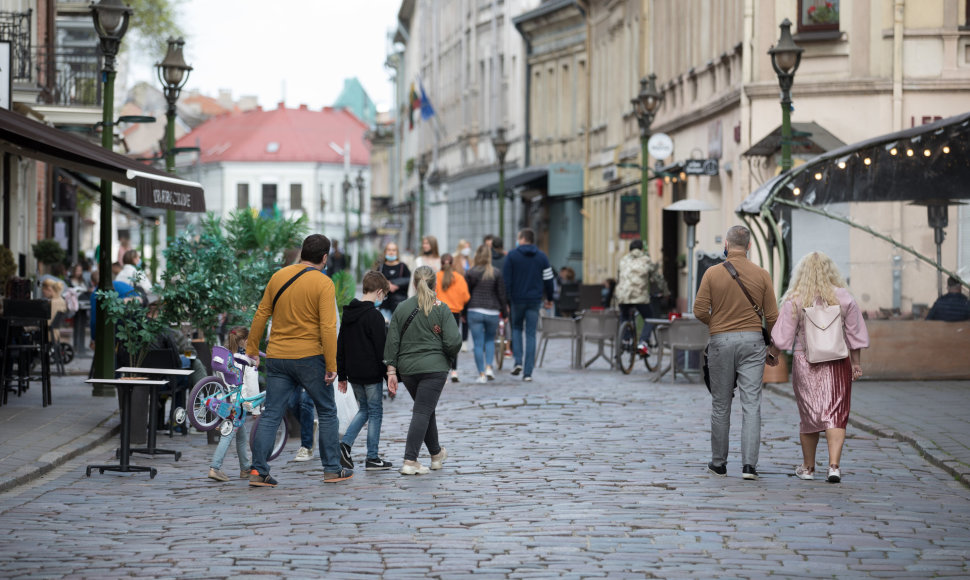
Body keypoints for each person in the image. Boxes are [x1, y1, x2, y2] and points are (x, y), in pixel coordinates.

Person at [246, 234, 350, 487]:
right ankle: (332, 469)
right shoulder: (323, 283)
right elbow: (328, 326)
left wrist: (251, 348)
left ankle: (259, 471)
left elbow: (261, 314)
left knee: (271, 412)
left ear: (303, 252)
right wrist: (332, 365)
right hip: (309, 357)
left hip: (278, 356)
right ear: (324, 258)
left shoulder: (278, 276)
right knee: (326, 411)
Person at [769, 251, 869, 484]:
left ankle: (808, 467)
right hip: (837, 363)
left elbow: (782, 338)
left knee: (810, 416)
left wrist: (772, 355)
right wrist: (856, 364)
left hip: (806, 363)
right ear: (831, 271)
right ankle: (834, 466)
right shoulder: (844, 298)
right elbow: (855, 334)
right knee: (836, 414)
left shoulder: (795, 299)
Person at [694, 225, 779, 481]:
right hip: (753, 343)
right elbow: (772, 316)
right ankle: (749, 467)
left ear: (727, 246)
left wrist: (717, 325)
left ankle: (719, 463)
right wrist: (773, 347)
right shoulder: (762, 274)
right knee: (751, 404)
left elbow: (699, 310)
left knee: (721, 404)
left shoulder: (712, 273)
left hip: (720, 341)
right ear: (750, 246)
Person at [383, 266, 461, 475]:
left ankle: (436, 455)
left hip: (408, 370)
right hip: (434, 368)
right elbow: (454, 341)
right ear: (434, 283)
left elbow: (392, 342)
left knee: (425, 409)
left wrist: (391, 371)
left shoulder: (402, 308)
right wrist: (446, 356)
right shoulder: (441, 308)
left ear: (414, 284)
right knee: (422, 411)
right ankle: (410, 460)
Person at [337, 271, 394, 471]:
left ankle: (345, 446)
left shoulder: (348, 314)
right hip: (371, 373)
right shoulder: (375, 317)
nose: (383, 299)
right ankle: (372, 457)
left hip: (354, 374)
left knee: (364, 410)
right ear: (379, 292)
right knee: (375, 411)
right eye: (384, 295)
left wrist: (342, 375)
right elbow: (382, 349)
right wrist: (389, 376)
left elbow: (341, 345)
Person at [502, 228, 555, 382]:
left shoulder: (512, 256)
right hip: (534, 300)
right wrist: (549, 298)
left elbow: (506, 281)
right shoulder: (542, 257)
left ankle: (518, 361)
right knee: (531, 334)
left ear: (523, 239)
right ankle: (528, 373)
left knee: (517, 329)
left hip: (516, 300)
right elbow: (548, 279)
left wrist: (506, 301)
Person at [207, 327, 253, 482]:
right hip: (238, 403)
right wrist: (254, 407)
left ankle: (245, 468)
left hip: (226, 399)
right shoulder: (243, 360)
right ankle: (215, 467)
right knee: (227, 435)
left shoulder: (225, 357)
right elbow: (248, 385)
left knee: (241, 435)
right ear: (245, 340)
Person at [465, 244, 507, 383]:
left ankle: (481, 374)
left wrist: (464, 313)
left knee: (478, 344)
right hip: (492, 311)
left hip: (475, 310)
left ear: (477, 255)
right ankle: (489, 367)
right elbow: (501, 294)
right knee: (490, 340)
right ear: (489, 256)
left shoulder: (471, 273)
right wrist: (505, 314)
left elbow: (467, 294)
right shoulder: (496, 272)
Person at [615, 240, 662, 356]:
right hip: (640, 296)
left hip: (623, 295)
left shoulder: (623, 260)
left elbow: (619, 277)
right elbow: (655, 277)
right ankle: (643, 343)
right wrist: (663, 290)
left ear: (630, 250)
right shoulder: (646, 259)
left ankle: (625, 339)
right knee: (649, 318)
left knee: (624, 316)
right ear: (641, 249)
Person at [436, 253, 470, 382]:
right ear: (453, 263)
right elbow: (466, 296)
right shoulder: (459, 278)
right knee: (453, 342)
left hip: (440, 312)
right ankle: (454, 371)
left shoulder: (437, 277)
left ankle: (441, 369)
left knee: (440, 342)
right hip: (455, 313)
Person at [375, 241, 411, 321]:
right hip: (383, 304)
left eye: (394, 250)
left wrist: (397, 285)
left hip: (399, 304)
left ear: (397, 252)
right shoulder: (381, 267)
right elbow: (375, 282)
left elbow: (410, 281)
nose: (391, 252)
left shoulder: (403, 266)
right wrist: (387, 285)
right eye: (389, 250)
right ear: (385, 252)